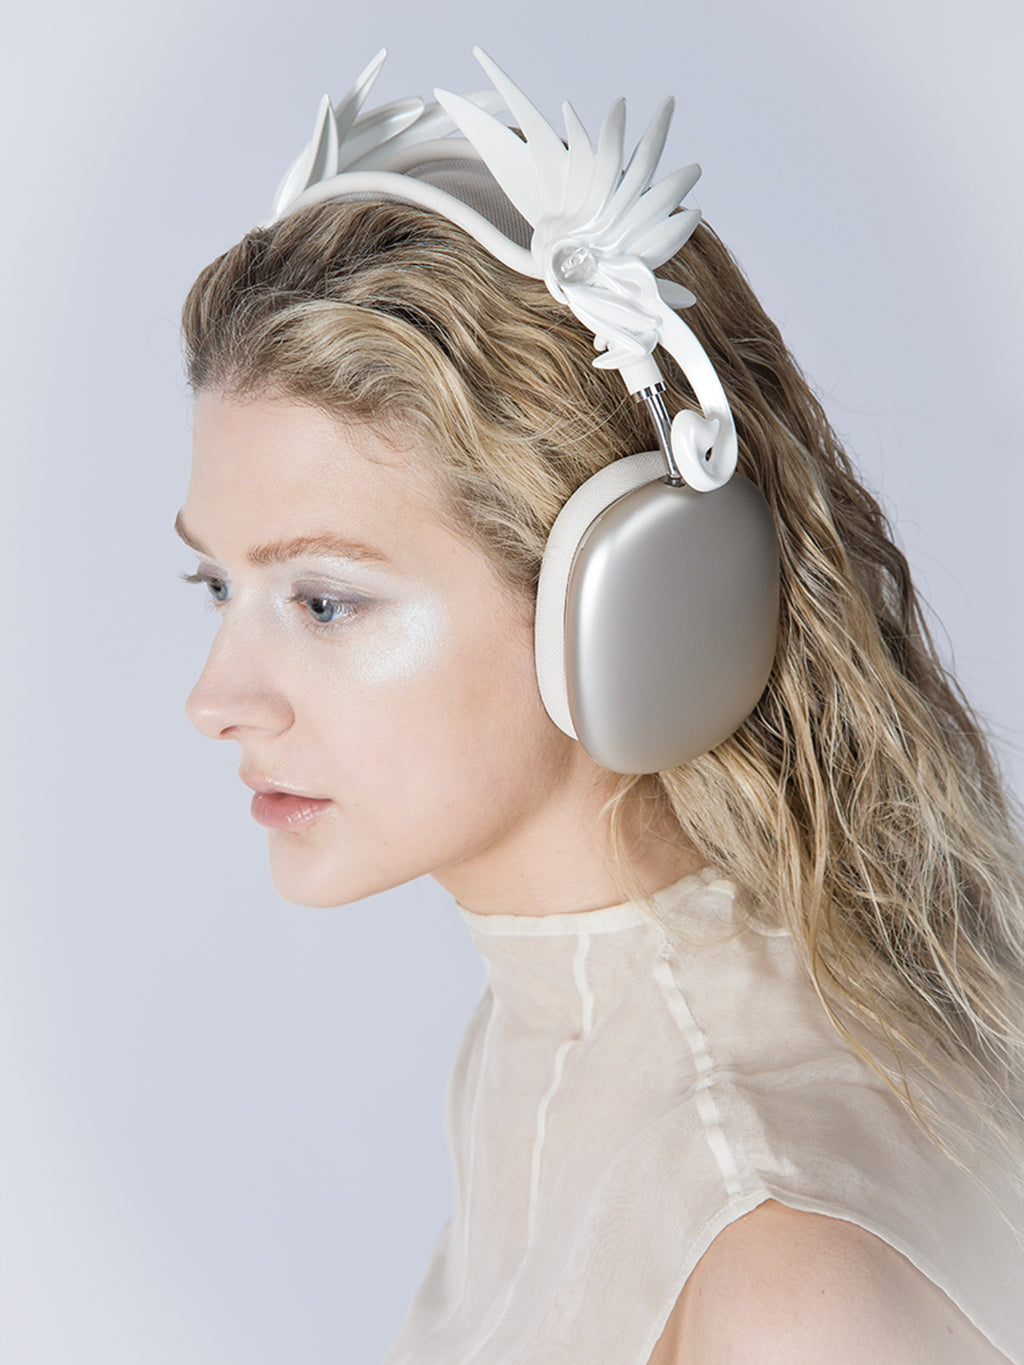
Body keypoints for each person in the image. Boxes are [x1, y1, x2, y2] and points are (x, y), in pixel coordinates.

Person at [175, 50, 1024, 1364]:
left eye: (325, 600)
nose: (214, 699)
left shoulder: (777, 1264)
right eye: (218, 584)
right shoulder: (543, 1049)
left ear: (627, 604)